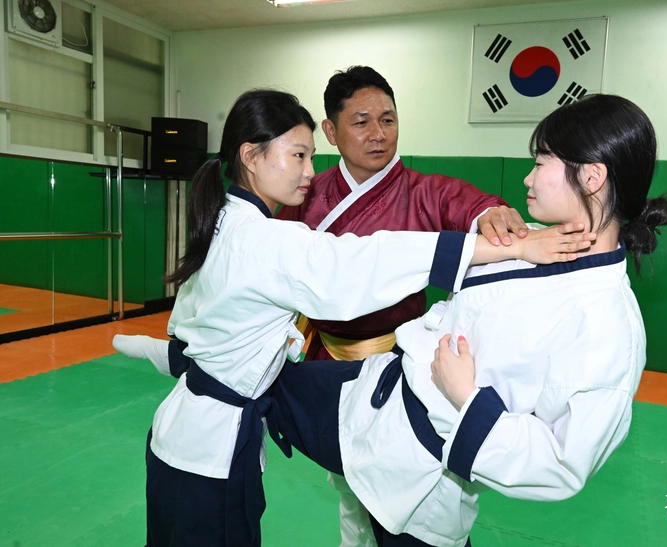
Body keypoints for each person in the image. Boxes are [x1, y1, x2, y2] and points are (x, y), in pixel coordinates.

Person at [112, 88, 596, 547]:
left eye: (310, 156)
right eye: (297, 155)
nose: (309, 170)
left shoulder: (224, 219)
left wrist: (491, 220)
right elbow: (362, 262)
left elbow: (199, 327)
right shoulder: (267, 238)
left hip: (183, 433)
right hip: (212, 451)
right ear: (251, 156)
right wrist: (501, 249)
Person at [260, 93, 667, 546]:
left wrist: (466, 397)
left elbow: (562, 463)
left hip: (426, 475)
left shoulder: (607, 323)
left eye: (541, 163)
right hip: (375, 396)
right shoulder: (530, 242)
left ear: (592, 177)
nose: (527, 177)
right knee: (250, 385)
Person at [276, 65, 530, 546]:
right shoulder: (307, 195)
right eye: (361, 122)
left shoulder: (424, 191)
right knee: (346, 477)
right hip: (327, 358)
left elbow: (468, 204)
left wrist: (490, 211)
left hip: (401, 365)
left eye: (388, 120)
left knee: (410, 484)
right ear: (330, 130)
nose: (379, 134)